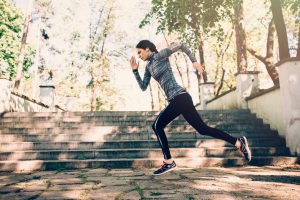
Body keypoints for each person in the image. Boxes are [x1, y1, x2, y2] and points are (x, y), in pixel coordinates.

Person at [129, 40, 251, 175]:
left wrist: (194, 61)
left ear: (147, 49)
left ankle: (169, 162)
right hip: (179, 100)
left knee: (157, 126)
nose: (139, 55)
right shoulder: (148, 68)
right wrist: (135, 71)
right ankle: (238, 143)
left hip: (180, 97)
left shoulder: (160, 55)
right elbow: (143, 87)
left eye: (140, 52)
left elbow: (180, 45)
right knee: (203, 129)